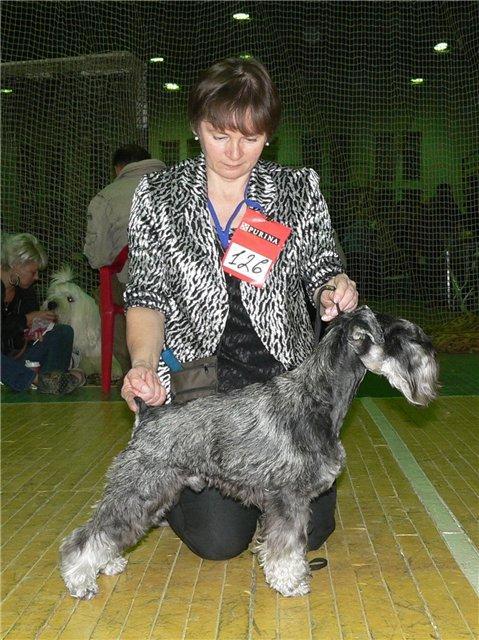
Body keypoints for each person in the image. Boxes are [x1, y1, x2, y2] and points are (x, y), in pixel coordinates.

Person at [121, 58, 358, 560]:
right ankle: (179, 486)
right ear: (195, 127)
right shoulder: (158, 196)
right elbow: (146, 296)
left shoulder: (296, 189)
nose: (233, 152)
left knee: (310, 529)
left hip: (282, 395)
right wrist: (143, 364)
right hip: (201, 393)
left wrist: (333, 288)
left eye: (250, 138)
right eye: (219, 135)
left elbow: (322, 266)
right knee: (219, 542)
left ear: (268, 136)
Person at [83, 144, 166, 373]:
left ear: (118, 168)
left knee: (104, 296)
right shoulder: (180, 186)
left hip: (136, 286)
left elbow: (97, 258)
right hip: (185, 283)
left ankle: (134, 368)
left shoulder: (106, 197)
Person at [1, 233, 85, 394]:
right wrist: (26, 319)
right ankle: (39, 380)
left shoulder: (27, 293)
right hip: (4, 363)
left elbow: (15, 334)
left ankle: (53, 379)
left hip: (15, 360)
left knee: (63, 332)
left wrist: (31, 333)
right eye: (33, 272)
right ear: (15, 265)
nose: (37, 277)